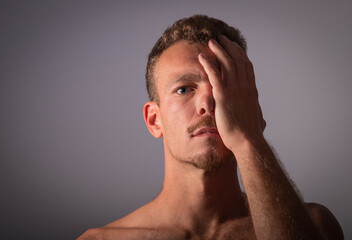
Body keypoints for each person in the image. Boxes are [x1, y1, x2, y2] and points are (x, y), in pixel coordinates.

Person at [78, 15, 344, 240]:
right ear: (153, 120)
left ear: (251, 106)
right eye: (184, 89)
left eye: (223, 85)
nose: (208, 102)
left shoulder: (315, 227)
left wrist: (248, 140)